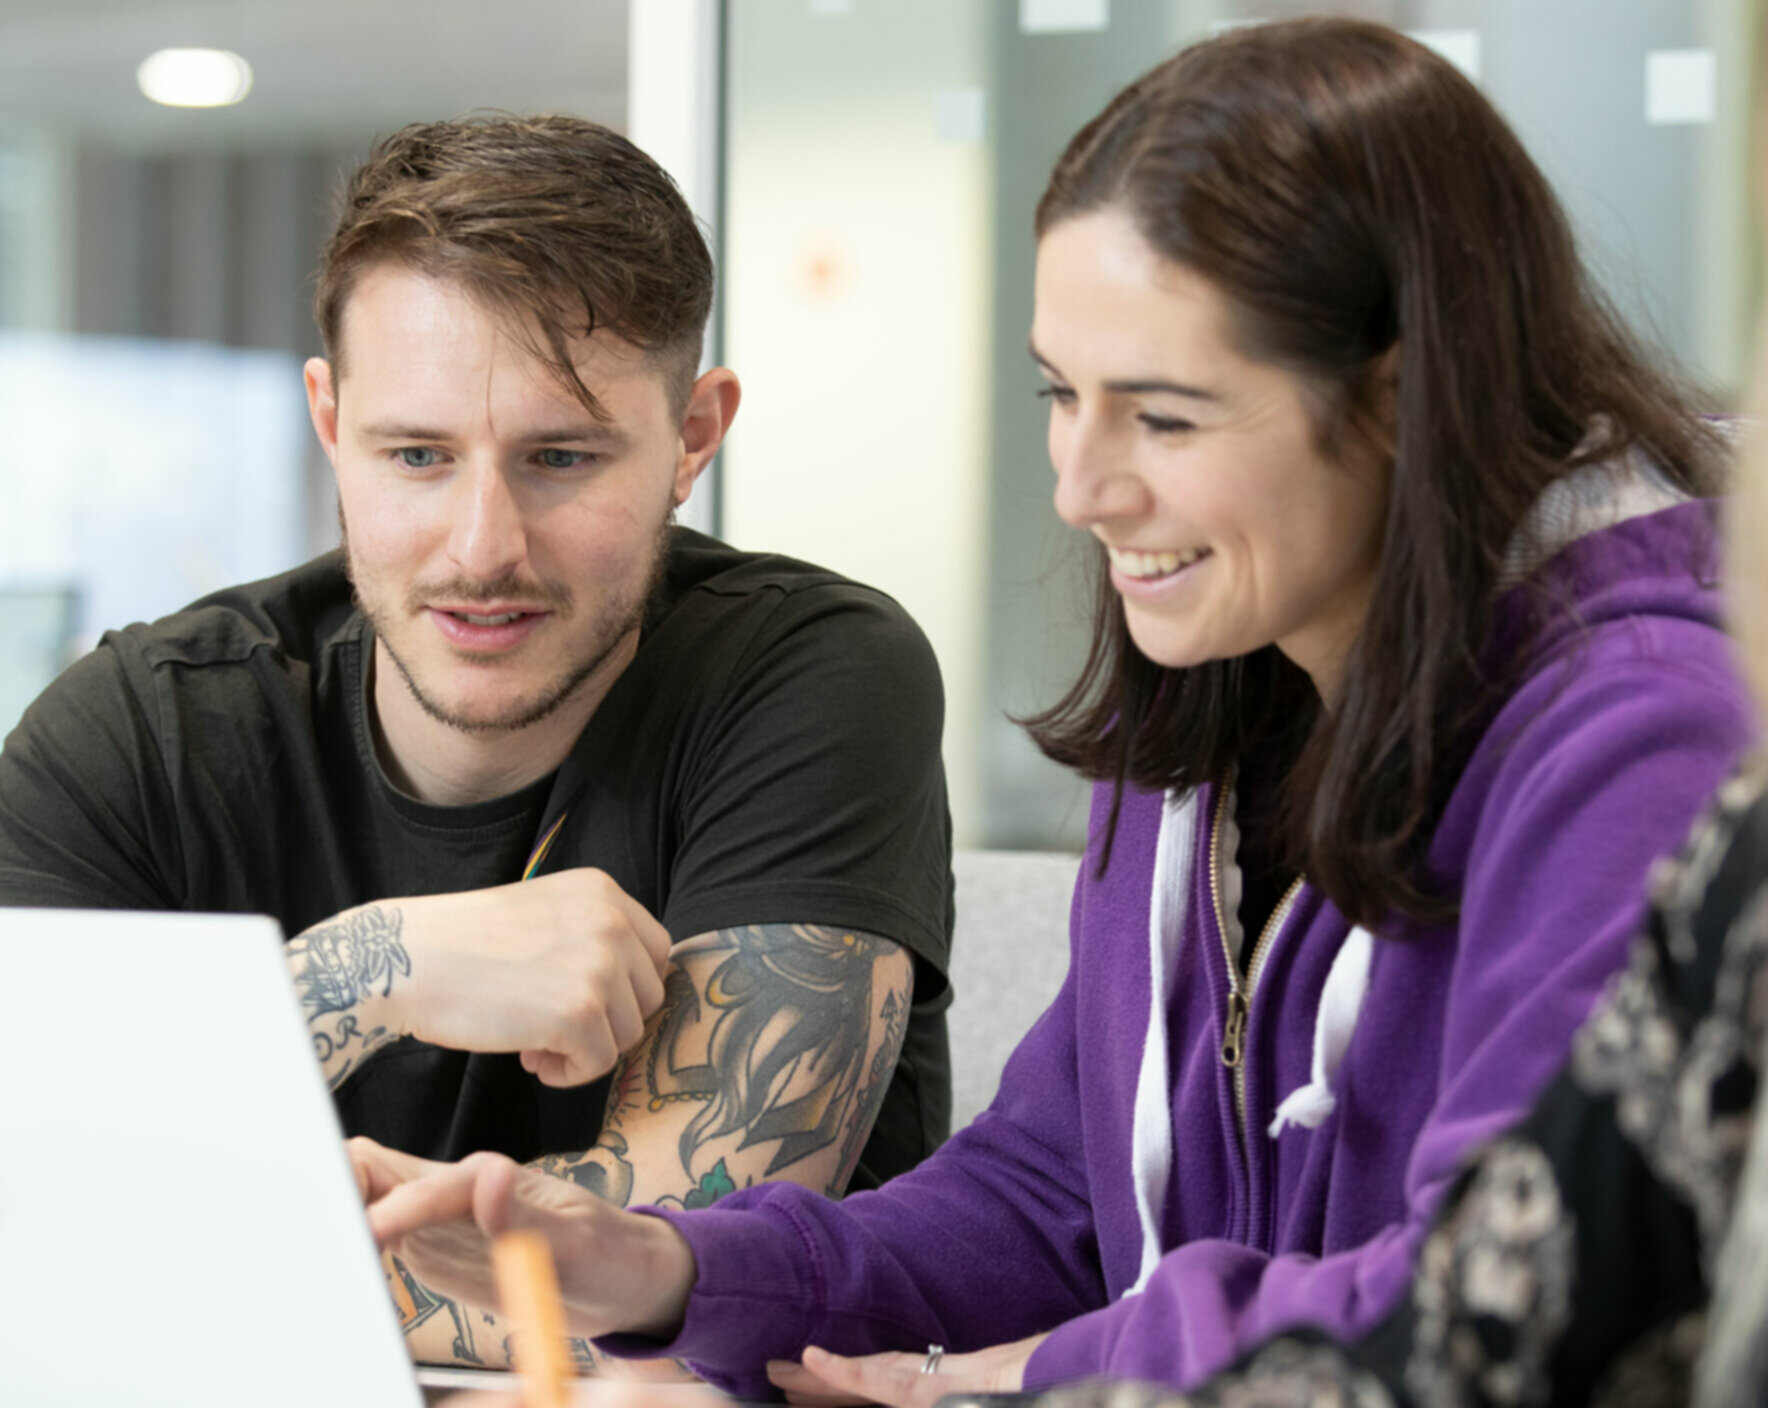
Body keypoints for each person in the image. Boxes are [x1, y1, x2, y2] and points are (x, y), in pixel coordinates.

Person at [353, 19, 1757, 1401]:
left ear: (1400, 400)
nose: (1081, 488)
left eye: (1163, 417)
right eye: (1061, 394)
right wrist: (661, 1270)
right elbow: (1048, 1198)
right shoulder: (1218, 698)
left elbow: (1502, 1303)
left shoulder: (1645, 735)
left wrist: (1041, 1372)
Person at [0, 114, 955, 1371]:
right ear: (329, 419)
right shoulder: (136, 730)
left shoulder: (810, 677)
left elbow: (679, 1269)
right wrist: (367, 971)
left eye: (561, 456)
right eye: (417, 454)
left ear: (696, 434)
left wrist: (157, 1234)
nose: (483, 546)